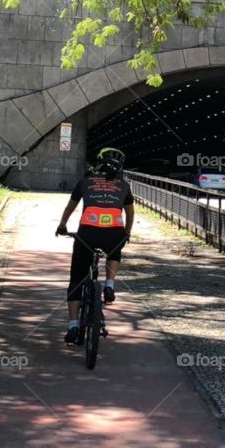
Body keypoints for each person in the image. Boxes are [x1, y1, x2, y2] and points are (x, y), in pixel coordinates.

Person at [55, 147, 135, 344]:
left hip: (87, 235)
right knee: (115, 251)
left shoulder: (85, 181)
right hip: (113, 234)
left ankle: (73, 326)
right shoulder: (124, 186)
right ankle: (109, 284)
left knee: (76, 278)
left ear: (97, 162)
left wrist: (63, 225)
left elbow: (70, 207)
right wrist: (126, 233)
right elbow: (130, 214)